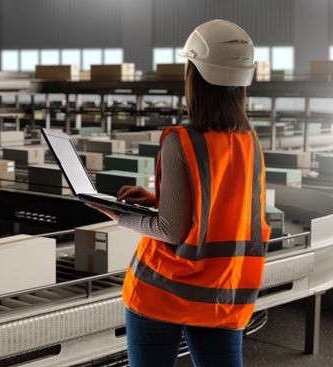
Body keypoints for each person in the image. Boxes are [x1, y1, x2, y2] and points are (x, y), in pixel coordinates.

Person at [88, 19, 271, 367]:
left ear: (194, 78)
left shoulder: (180, 141)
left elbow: (170, 231)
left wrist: (117, 213)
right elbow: (223, 212)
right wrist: (160, 201)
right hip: (223, 293)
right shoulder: (251, 144)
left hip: (161, 291)